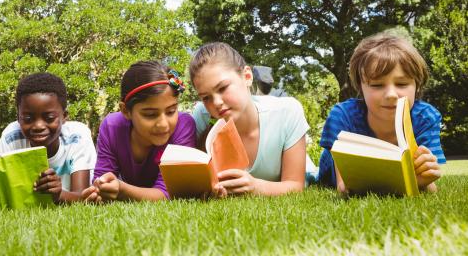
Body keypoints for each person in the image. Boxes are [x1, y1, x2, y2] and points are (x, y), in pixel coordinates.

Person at [318, 32, 445, 193]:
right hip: (328, 174)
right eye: (377, 85)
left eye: (402, 83)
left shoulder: (426, 117)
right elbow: (344, 188)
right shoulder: (342, 116)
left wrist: (423, 180)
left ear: (417, 85)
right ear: (360, 87)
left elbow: (431, 187)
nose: (391, 94)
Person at [190, 42, 309, 197]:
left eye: (223, 88)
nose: (216, 103)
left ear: (247, 76)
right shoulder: (202, 115)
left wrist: (255, 187)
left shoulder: (287, 112)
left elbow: (295, 185)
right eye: (206, 97)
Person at [0, 73, 96, 207]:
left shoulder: (77, 137)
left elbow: (84, 196)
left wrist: (59, 195)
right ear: (18, 117)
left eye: (49, 118)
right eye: (28, 119)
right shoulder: (12, 137)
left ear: (64, 116)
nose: (38, 126)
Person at [83, 61, 196, 202]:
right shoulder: (111, 127)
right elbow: (102, 180)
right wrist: (101, 190)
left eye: (171, 111)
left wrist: (122, 190)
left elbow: (168, 193)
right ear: (125, 110)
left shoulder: (183, 126)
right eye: (150, 114)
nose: (163, 124)